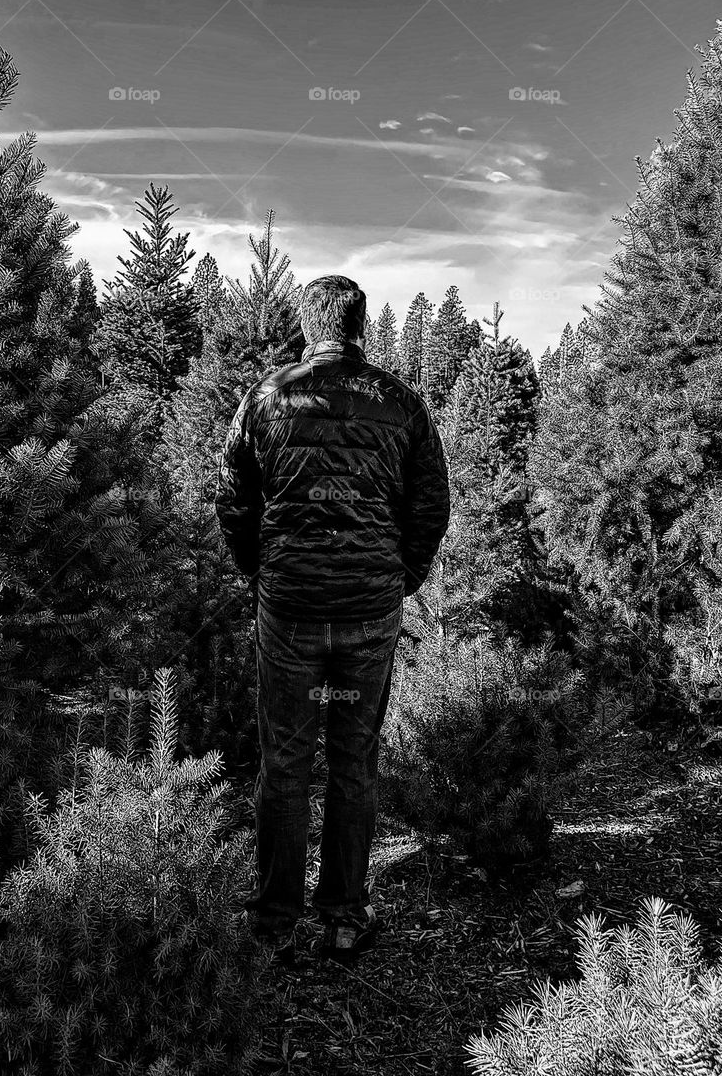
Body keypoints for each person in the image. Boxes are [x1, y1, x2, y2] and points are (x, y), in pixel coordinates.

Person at [215, 274, 450, 968]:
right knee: (354, 762)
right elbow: (430, 505)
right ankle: (344, 918)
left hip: (290, 607)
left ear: (307, 321)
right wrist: (398, 577)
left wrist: (263, 570)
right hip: (368, 610)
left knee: (284, 762)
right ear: (361, 325)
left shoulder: (268, 396)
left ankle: (275, 918)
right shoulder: (401, 403)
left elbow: (233, 495)